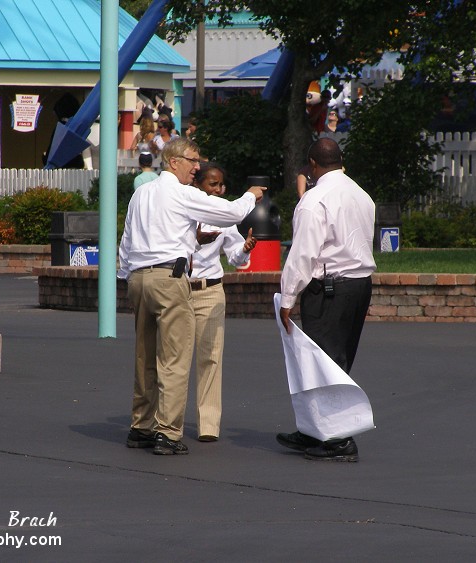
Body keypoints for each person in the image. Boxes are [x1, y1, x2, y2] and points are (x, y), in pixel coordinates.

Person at [118, 138, 266, 456]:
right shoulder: (182, 193)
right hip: (169, 279)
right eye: (193, 160)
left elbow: (127, 240)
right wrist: (251, 196)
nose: (197, 167)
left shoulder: (141, 193)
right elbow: (230, 213)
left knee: (145, 356)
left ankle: (141, 427)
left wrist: (125, 277)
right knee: (175, 358)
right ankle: (168, 433)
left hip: (139, 278)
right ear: (174, 162)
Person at [277, 137, 376, 462]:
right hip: (359, 285)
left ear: (313, 165)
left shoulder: (314, 200)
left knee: (323, 363)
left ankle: (337, 440)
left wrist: (288, 296)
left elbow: (303, 253)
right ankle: (313, 430)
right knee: (339, 359)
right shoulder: (361, 195)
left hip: (329, 289)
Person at [189, 163, 257, 442]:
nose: (218, 190)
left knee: (211, 358)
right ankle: (167, 423)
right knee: (173, 361)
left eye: (221, 186)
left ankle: (208, 424)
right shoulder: (182, 209)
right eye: (212, 185)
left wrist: (244, 248)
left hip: (210, 291)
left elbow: (238, 260)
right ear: (198, 186)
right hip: (179, 289)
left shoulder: (225, 217)